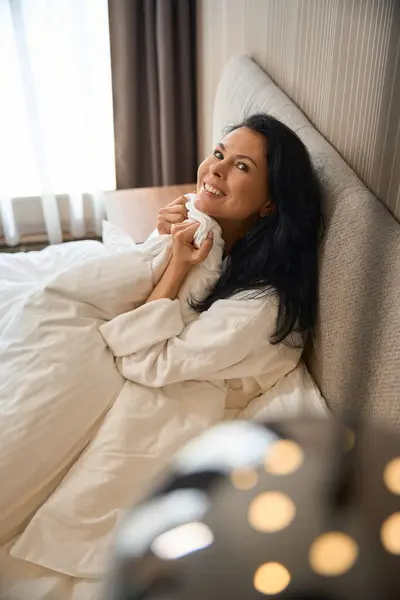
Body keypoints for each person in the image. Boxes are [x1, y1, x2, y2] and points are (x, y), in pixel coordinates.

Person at [100, 113, 322, 413]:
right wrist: (163, 240)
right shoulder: (207, 230)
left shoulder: (257, 307)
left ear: (270, 203)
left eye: (242, 166)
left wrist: (176, 266)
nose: (215, 169)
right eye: (219, 153)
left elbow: (140, 359)